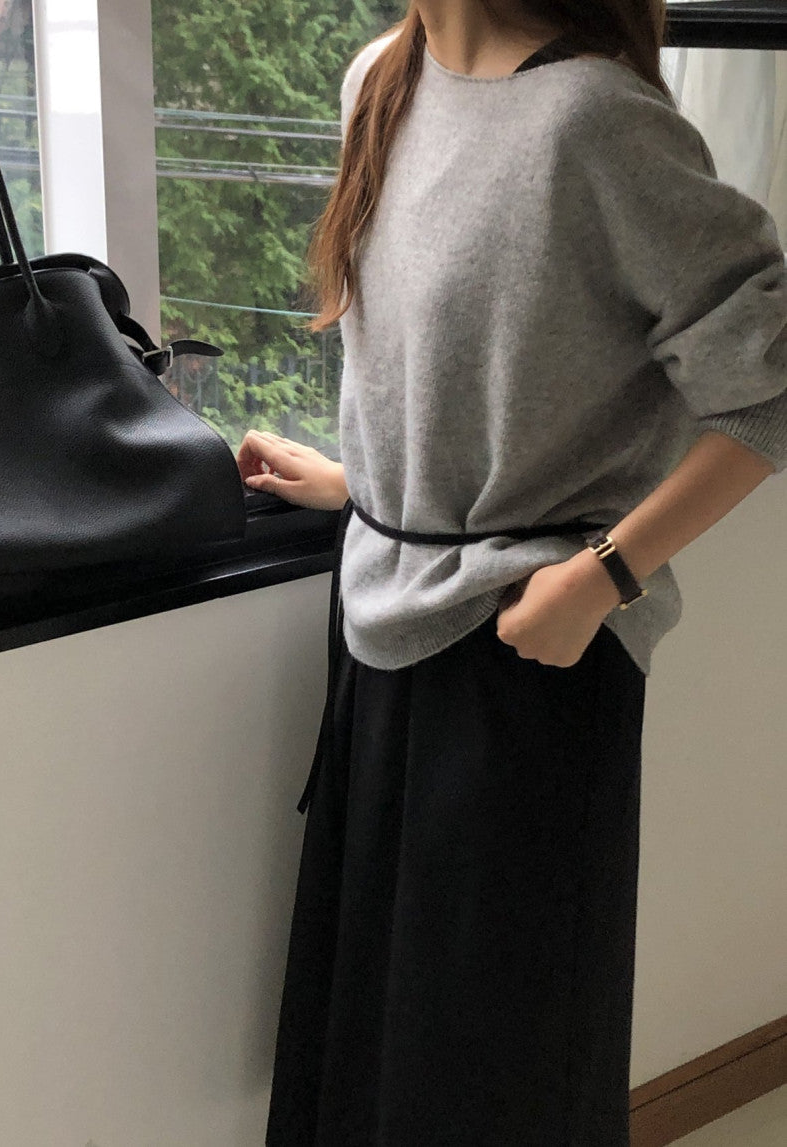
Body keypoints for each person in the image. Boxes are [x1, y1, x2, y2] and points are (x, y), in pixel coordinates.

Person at [238, 2, 787, 1143]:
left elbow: (767, 393)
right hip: (380, 626)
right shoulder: (380, 80)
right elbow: (468, 349)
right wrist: (369, 482)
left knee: (496, 1072)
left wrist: (603, 578)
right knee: (372, 1051)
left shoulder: (595, 122)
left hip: (527, 656)